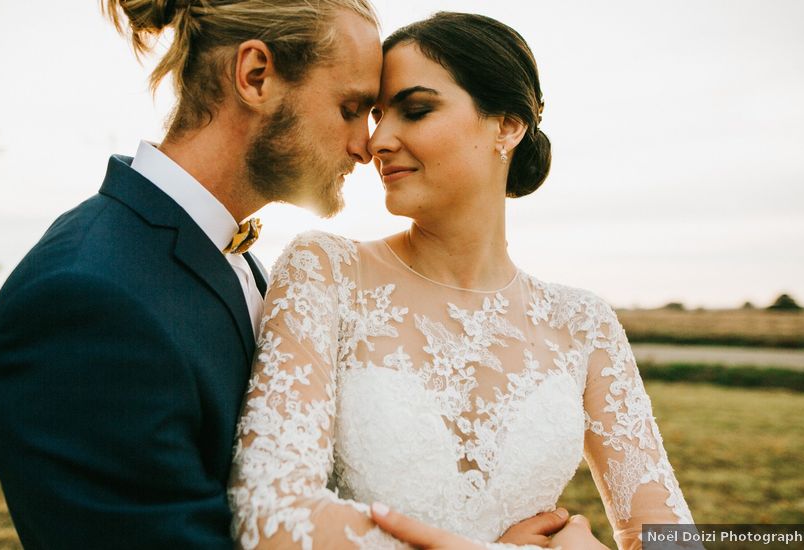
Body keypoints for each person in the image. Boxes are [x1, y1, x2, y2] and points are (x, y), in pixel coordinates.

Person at [227, 12, 696, 550]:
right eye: (378, 114)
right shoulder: (325, 272)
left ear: (508, 126)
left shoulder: (583, 326)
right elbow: (269, 516)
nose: (378, 139)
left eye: (416, 110)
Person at [0, 1, 382, 547]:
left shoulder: (240, 261)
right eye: (350, 107)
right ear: (255, 76)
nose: (366, 146)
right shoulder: (84, 303)